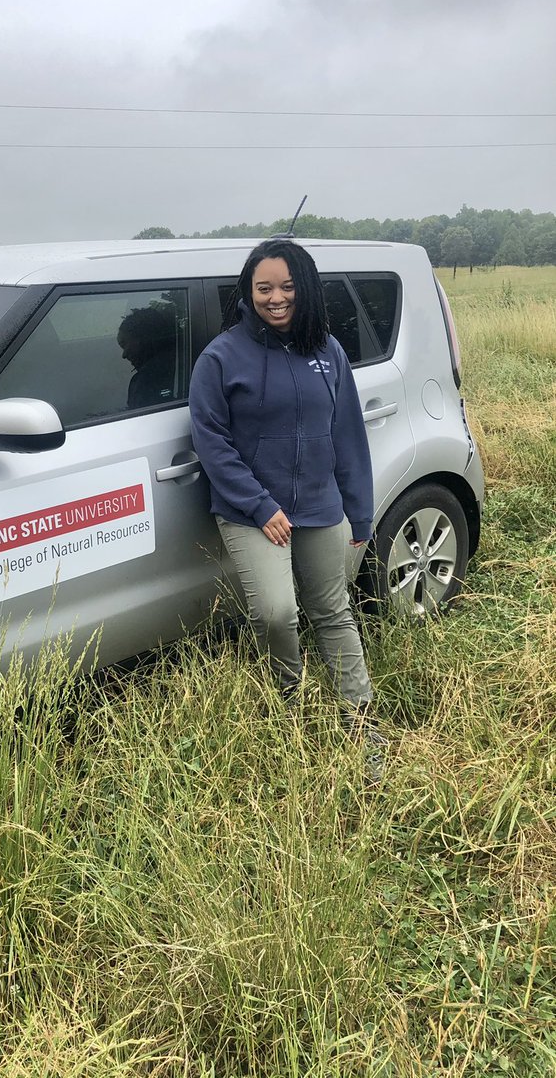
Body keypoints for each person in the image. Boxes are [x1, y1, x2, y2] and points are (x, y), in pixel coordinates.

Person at [188, 239, 386, 779]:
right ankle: (289, 703)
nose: (276, 299)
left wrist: (360, 517)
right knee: (277, 612)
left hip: (321, 506)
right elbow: (211, 440)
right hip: (251, 511)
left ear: (306, 289)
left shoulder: (328, 351)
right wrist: (259, 504)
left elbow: (347, 437)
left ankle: (361, 721)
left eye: (288, 288)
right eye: (264, 288)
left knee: (333, 612)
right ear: (248, 293)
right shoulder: (221, 357)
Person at [117, 306, 177, 409]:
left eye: (124, 344)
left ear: (143, 339)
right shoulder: (180, 364)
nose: (124, 355)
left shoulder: (146, 383)